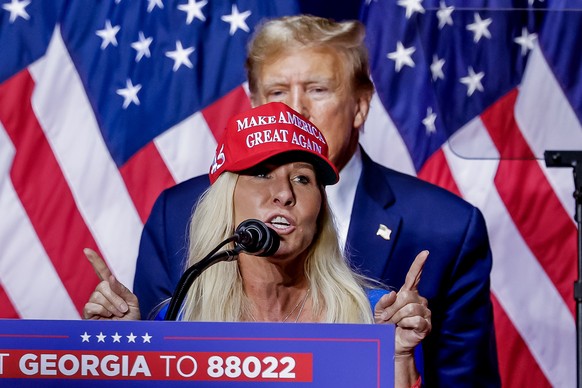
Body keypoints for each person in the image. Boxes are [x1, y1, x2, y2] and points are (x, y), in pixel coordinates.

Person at [133, 15, 500, 386]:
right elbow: (157, 364)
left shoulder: (445, 226)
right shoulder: (176, 213)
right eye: (277, 92)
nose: (295, 110)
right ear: (255, 103)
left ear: (360, 104)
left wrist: (398, 358)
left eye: (318, 89)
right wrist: (115, 353)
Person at [84, 102, 431, 388]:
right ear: (227, 199)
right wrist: (123, 352)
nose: (284, 193)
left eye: (302, 179)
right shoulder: (177, 319)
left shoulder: (376, 319)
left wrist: (398, 356)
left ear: (320, 212)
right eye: (262, 173)